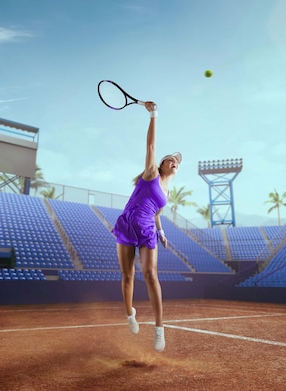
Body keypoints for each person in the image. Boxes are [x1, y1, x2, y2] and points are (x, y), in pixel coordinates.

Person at [112, 100, 181, 353]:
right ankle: (130, 314)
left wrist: (161, 231)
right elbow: (151, 144)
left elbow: (157, 213)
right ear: (161, 164)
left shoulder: (167, 193)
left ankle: (159, 330)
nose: (174, 161)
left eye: (177, 161)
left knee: (151, 275)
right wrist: (154, 115)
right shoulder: (151, 173)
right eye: (171, 159)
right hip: (128, 223)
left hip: (147, 230)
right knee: (127, 275)